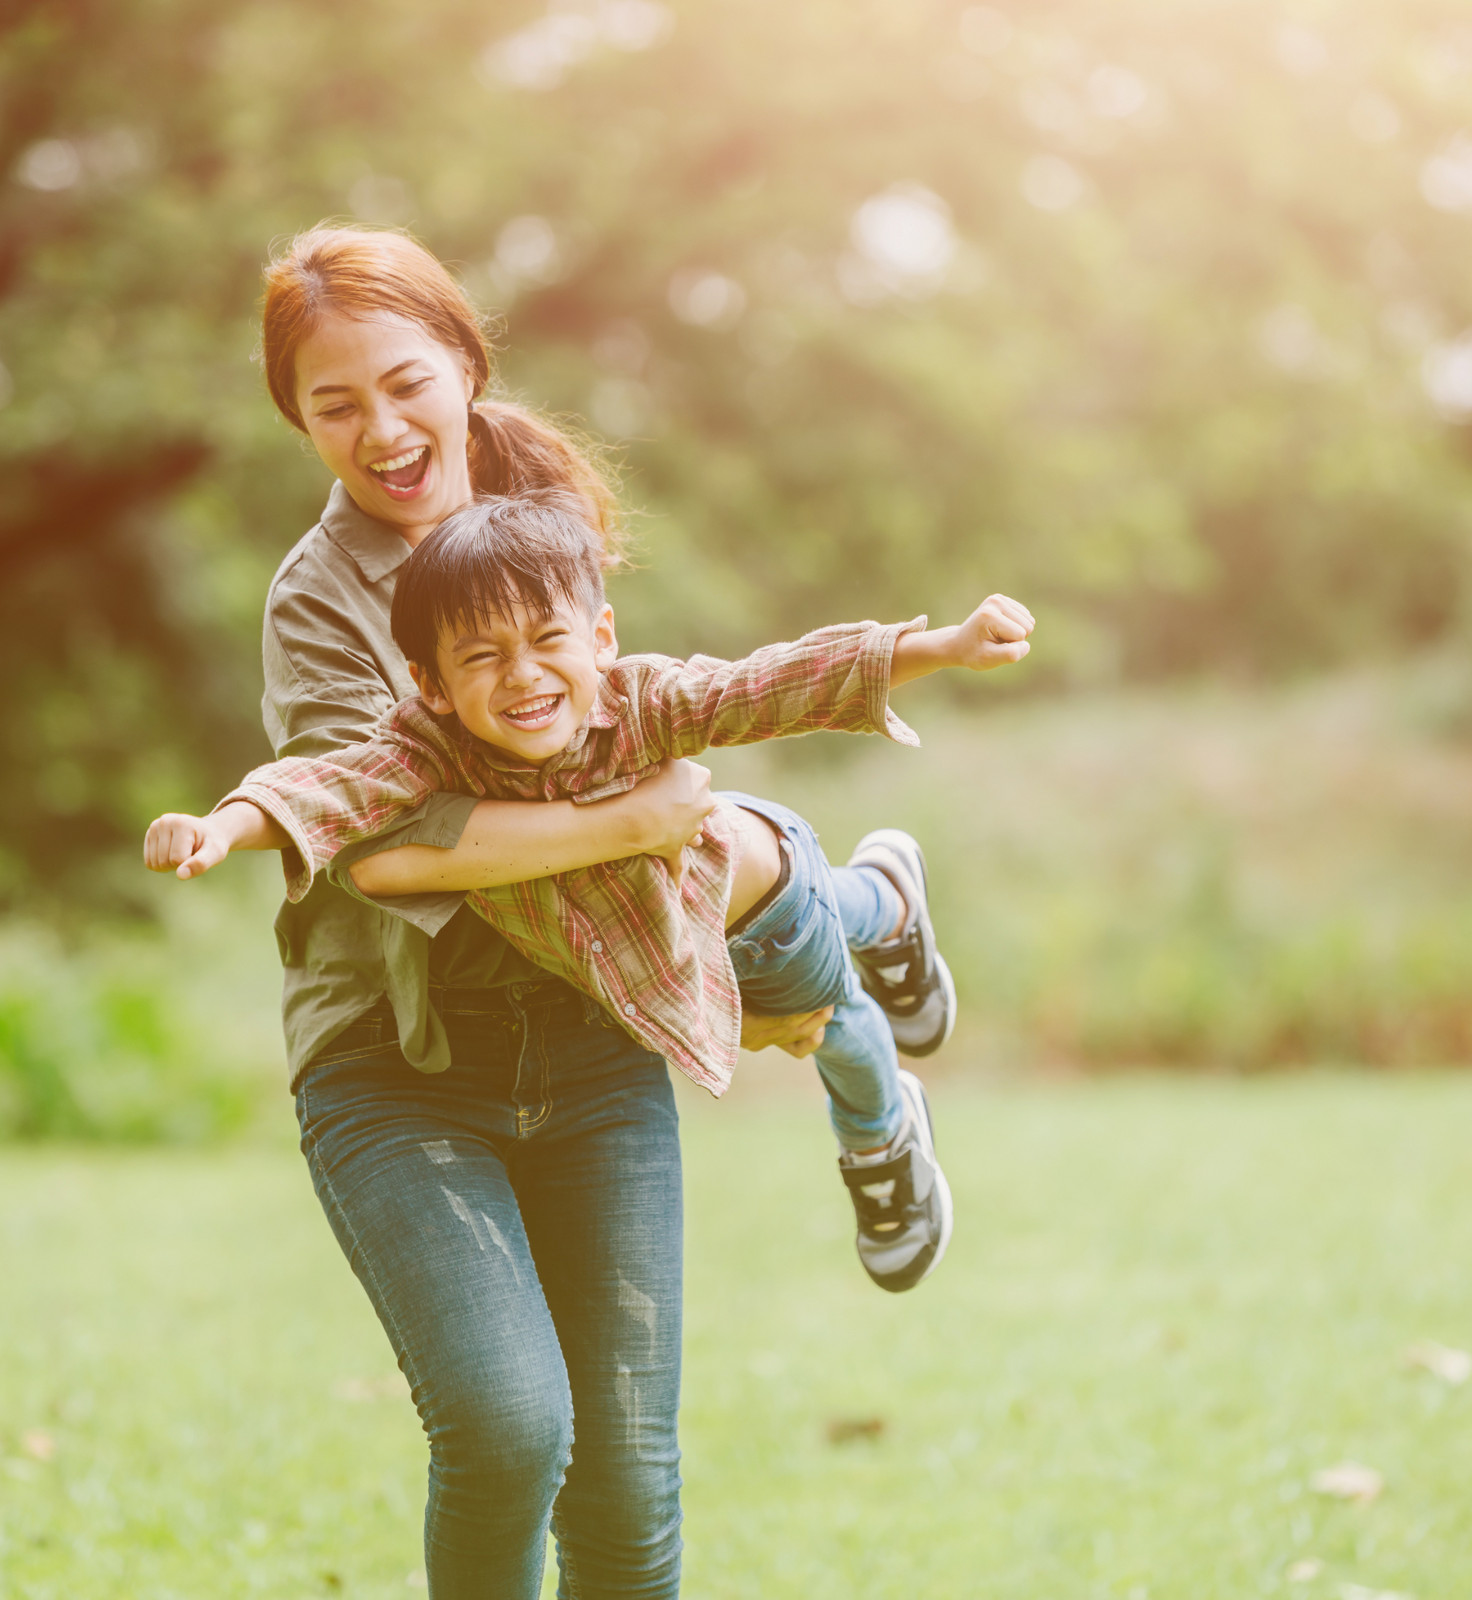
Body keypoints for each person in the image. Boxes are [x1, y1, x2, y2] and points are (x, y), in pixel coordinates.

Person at [154, 221, 943, 1598]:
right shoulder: (316, 603)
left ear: (462, 362)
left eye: (405, 382)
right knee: (513, 1430)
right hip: (402, 1064)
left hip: (588, 1037)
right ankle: (865, 921)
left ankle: (865, 933)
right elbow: (394, 835)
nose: (381, 430)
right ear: (297, 423)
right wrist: (631, 823)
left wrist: (905, 657)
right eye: (333, 405)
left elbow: (690, 700)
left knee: (629, 1488)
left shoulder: (540, 520)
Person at [147, 496, 1036, 1290]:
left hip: (756, 904)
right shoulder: (425, 753)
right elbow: (328, 788)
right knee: (843, 932)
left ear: (600, 637)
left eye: (547, 641)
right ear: (430, 684)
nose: (524, 675)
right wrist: (220, 827)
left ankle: (882, 1135)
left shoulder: (643, 701)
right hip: (689, 921)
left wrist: (944, 647)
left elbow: (772, 683)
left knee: (830, 1020)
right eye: (483, 657)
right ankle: (887, 895)